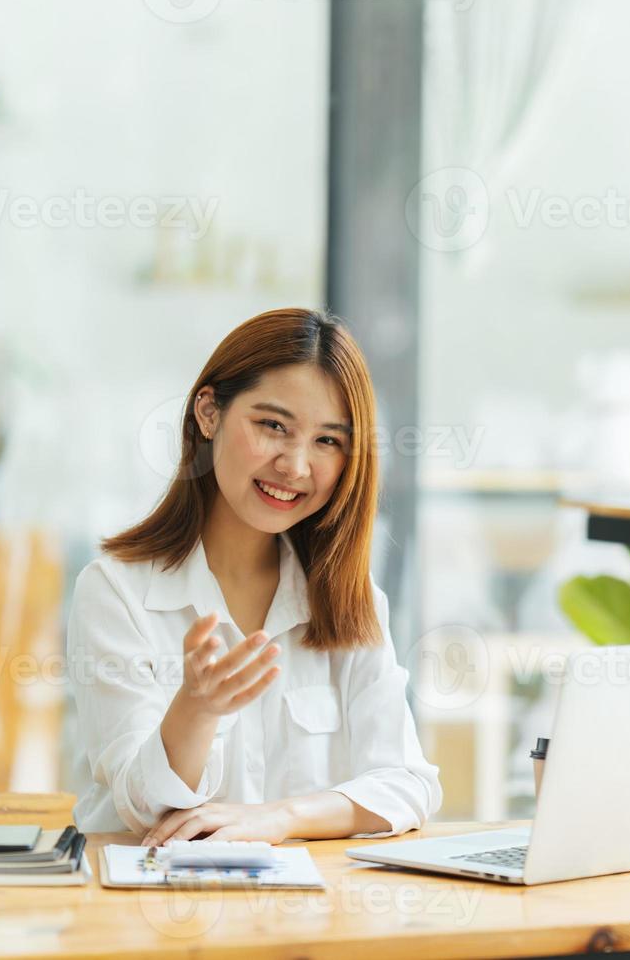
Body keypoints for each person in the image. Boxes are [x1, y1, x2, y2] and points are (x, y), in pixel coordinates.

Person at [67, 307, 440, 844]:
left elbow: (408, 784)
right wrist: (196, 709)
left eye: (327, 441)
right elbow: (142, 809)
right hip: (149, 916)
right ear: (209, 412)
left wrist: (280, 818)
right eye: (272, 426)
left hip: (307, 917)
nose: (295, 466)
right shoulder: (117, 591)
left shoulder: (346, 599)